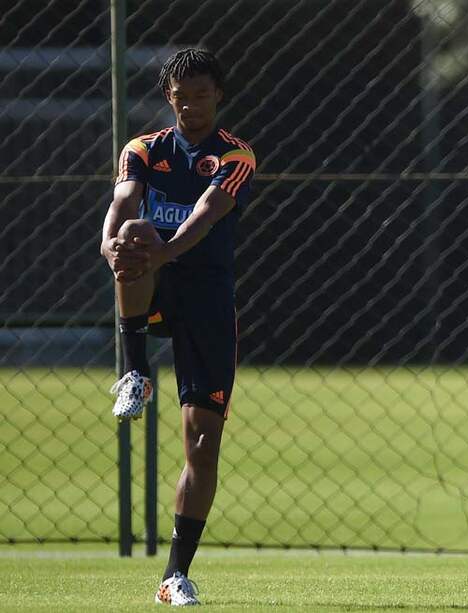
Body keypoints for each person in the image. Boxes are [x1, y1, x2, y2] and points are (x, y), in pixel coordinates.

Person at [100, 48, 255, 606]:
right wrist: (110, 244)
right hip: (154, 281)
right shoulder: (143, 149)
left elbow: (207, 214)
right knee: (135, 232)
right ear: (169, 98)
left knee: (203, 443)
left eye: (201, 94)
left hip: (206, 298)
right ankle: (135, 369)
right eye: (180, 95)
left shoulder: (234, 155)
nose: (191, 104)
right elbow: (123, 200)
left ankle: (173, 575)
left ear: (219, 95)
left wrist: (162, 252)